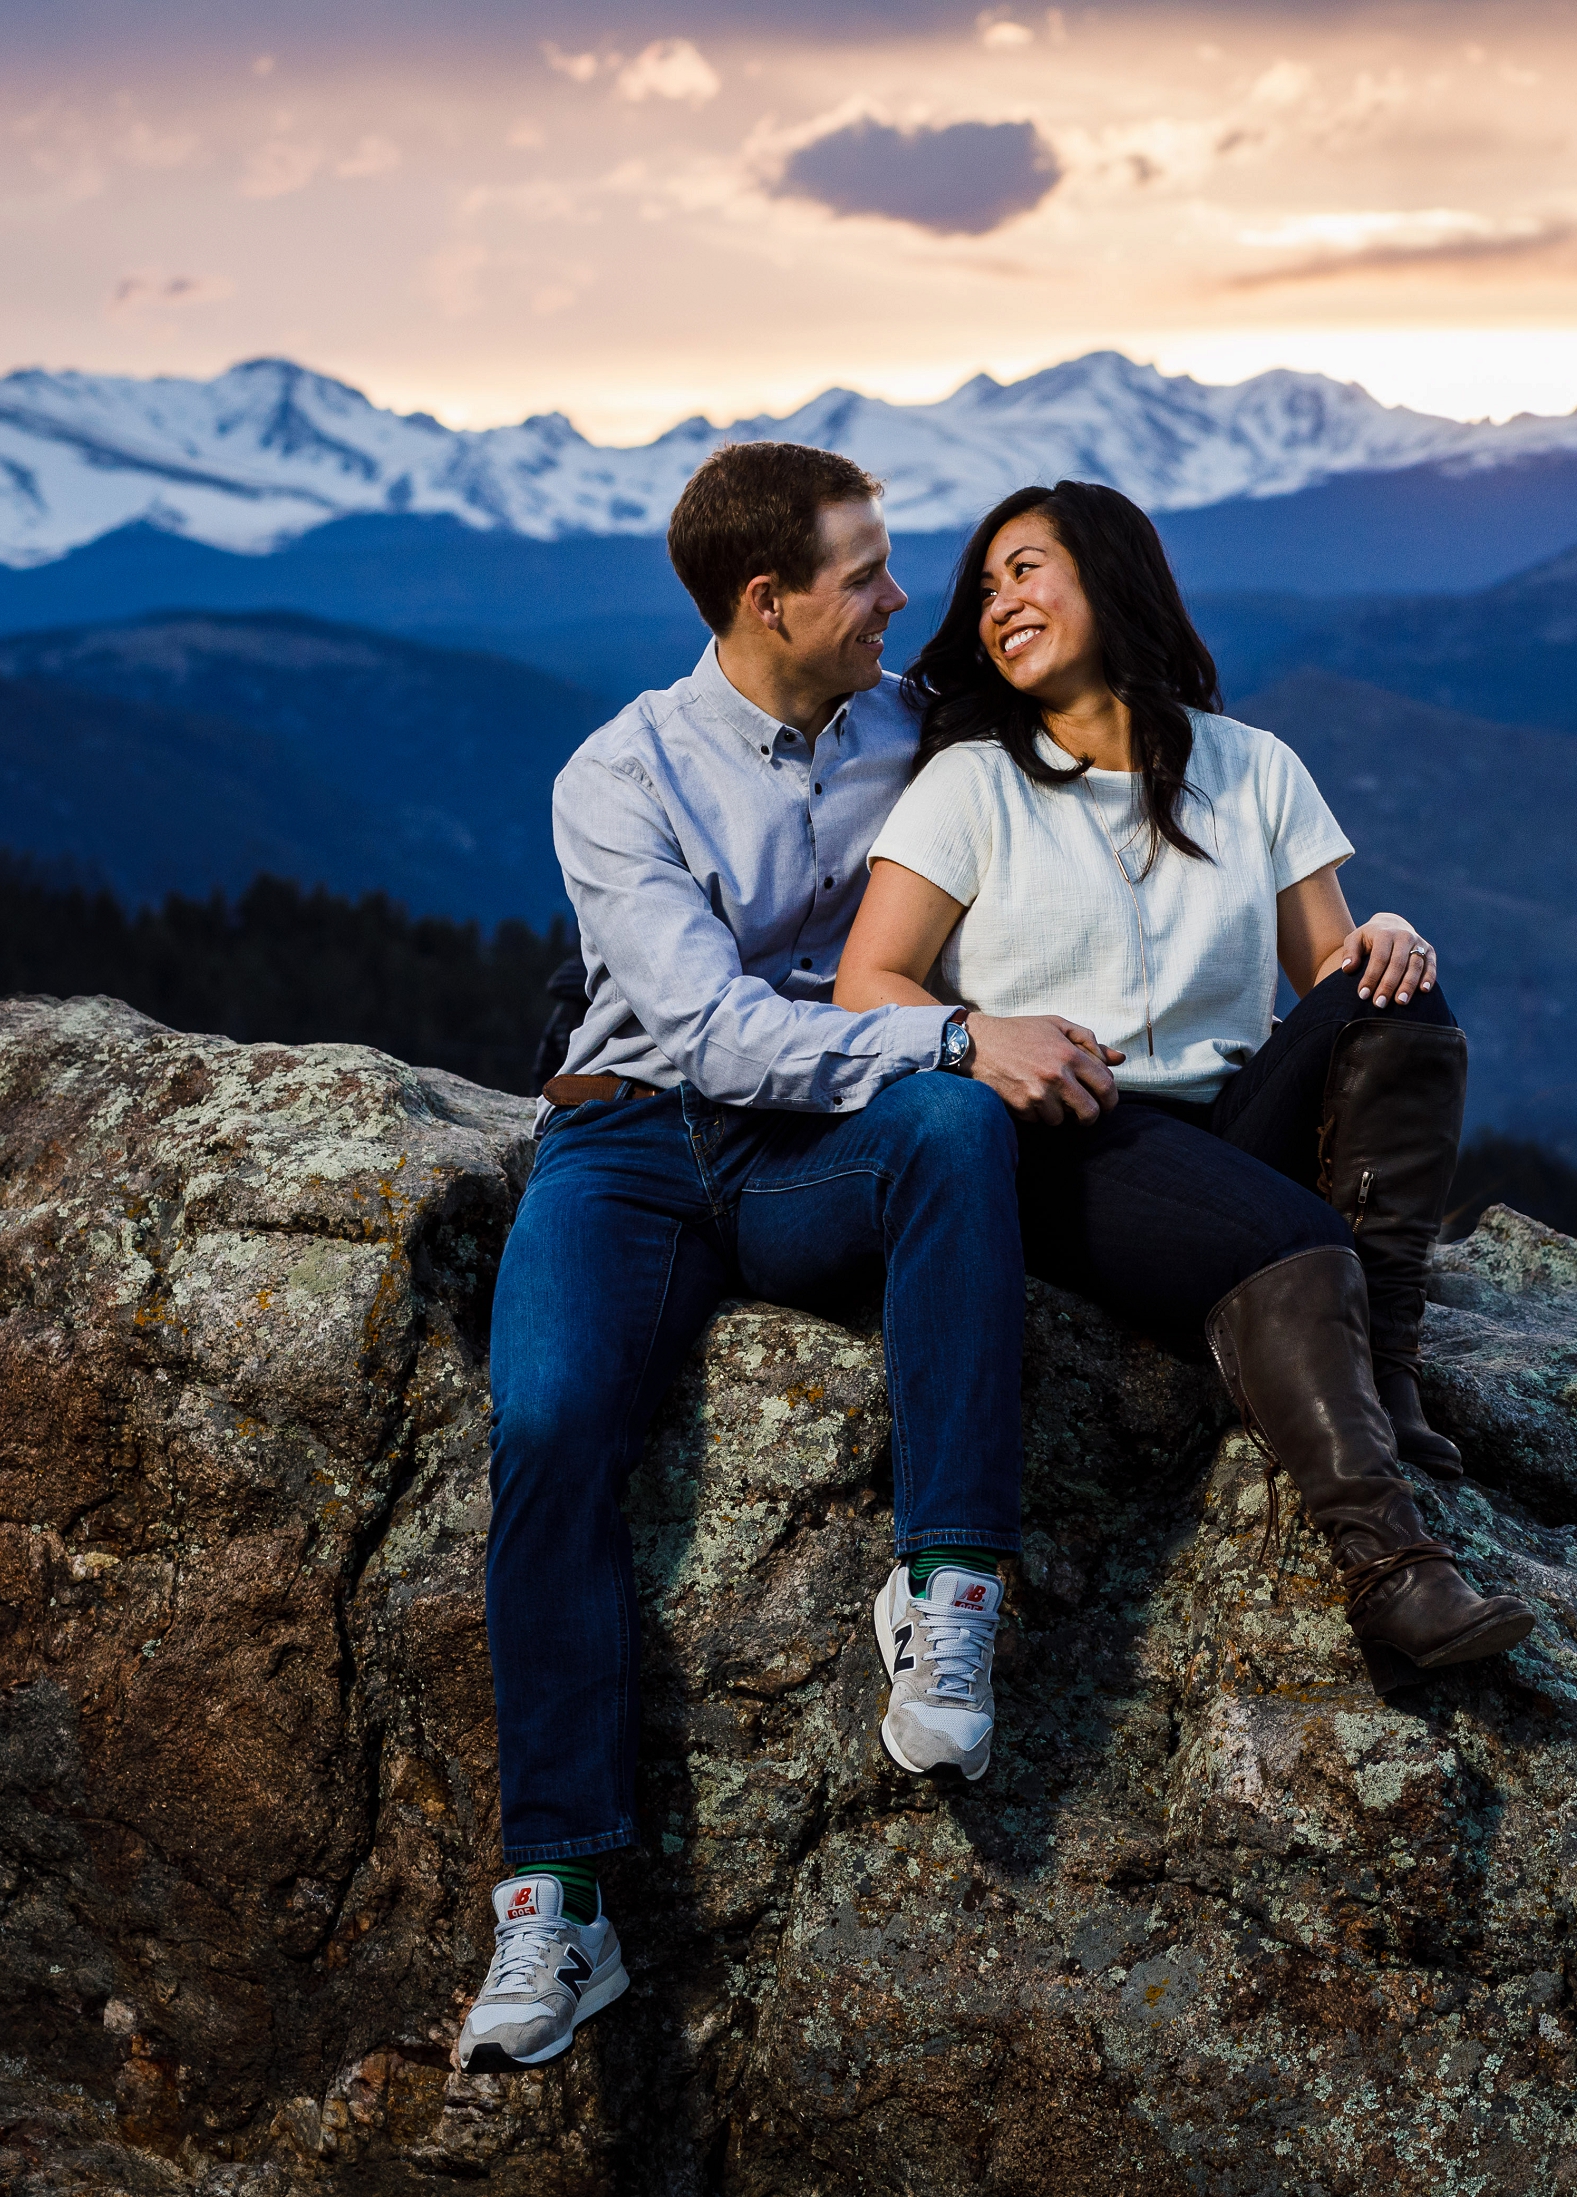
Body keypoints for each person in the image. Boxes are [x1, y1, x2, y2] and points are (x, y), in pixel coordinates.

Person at [456, 443, 1118, 2074]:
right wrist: (958, 1032)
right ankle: (558, 1900)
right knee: (545, 1432)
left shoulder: (918, 725)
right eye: (868, 572)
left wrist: (1338, 921)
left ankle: (951, 1586)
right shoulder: (619, 779)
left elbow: (1122, 738)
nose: (910, 595)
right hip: (627, 1139)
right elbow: (711, 1033)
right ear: (770, 602)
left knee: (958, 1133)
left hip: (812, 1155)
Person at [837, 479, 1533, 1766]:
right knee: (1283, 1236)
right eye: (984, 588)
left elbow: (1328, 970)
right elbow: (866, 982)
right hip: (1070, 1137)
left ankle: (1380, 1360)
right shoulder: (970, 785)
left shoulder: (1251, 764)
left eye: (1028, 571)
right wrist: (983, 1041)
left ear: (1112, 580)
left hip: (1223, 1126)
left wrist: (1372, 938)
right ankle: (1389, 1567)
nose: (999, 605)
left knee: (1405, 993)